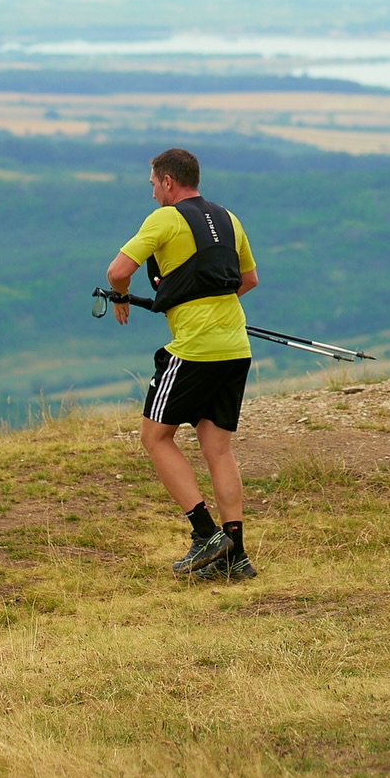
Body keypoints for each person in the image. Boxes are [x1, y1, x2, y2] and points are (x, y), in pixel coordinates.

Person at [105, 147, 259, 581]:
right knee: (218, 449)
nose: (152, 192)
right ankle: (236, 557)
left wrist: (120, 296)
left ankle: (204, 533)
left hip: (194, 349)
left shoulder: (165, 219)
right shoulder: (229, 218)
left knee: (154, 437)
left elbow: (118, 270)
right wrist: (208, 300)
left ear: (169, 181)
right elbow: (248, 280)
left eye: (153, 184)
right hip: (235, 346)